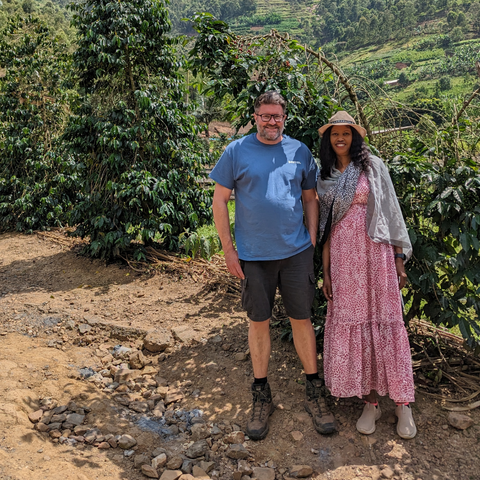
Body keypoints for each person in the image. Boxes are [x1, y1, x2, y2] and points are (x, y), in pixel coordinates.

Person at [209, 91, 336, 440]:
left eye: (276, 116)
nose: (271, 121)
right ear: (255, 117)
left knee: (302, 319)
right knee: (258, 322)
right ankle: (261, 394)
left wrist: (311, 236)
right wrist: (228, 250)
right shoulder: (236, 152)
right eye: (264, 116)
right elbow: (220, 200)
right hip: (253, 255)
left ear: (284, 118)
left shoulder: (300, 152)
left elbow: (310, 198)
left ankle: (314, 391)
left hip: (295, 253)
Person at [317, 111, 417, 440]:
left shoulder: (372, 166)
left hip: (377, 257)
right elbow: (327, 229)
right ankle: (371, 402)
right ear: (329, 139)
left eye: (346, 133)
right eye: (335, 134)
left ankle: (403, 403)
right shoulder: (327, 175)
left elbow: (390, 211)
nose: (340, 138)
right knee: (357, 324)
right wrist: (327, 271)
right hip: (346, 264)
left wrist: (399, 259)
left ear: (355, 137)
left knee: (385, 321)